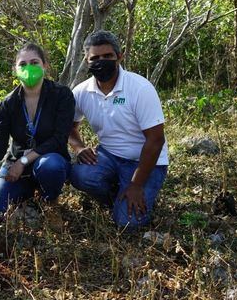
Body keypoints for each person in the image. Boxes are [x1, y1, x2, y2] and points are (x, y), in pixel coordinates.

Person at [68, 30, 168, 229]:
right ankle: (118, 196)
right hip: (109, 156)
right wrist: (79, 148)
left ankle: (135, 192)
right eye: (95, 58)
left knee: (126, 224)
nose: (101, 61)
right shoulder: (81, 92)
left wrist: (136, 184)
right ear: (86, 61)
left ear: (119, 57)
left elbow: (156, 140)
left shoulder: (140, 88)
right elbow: (69, 127)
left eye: (107, 56)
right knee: (80, 175)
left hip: (146, 162)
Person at [0, 43, 75, 219]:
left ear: (45, 66)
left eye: (34, 62)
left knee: (50, 166)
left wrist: (24, 160)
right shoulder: (8, 103)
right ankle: (27, 194)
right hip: (15, 166)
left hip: (48, 159)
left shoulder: (61, 95)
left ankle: (50, 202)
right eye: (22, 64)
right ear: (15, 69)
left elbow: (59, 138)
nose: (28, 67)